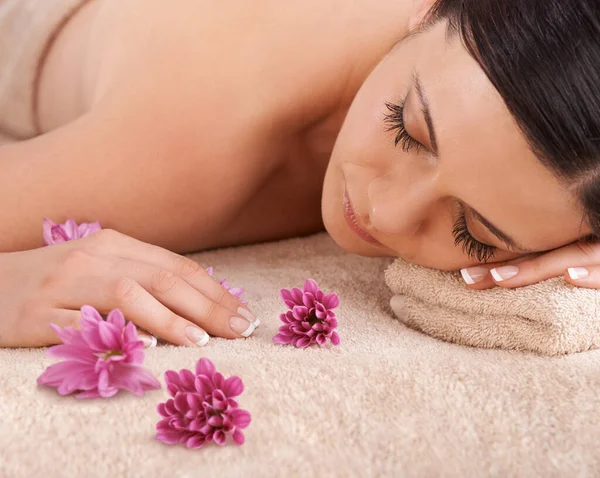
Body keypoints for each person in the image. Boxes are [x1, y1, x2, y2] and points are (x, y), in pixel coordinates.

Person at [1, 0, 599, 347]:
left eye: (476, 234)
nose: (385, 213)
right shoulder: (193, 142)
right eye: (408, 129)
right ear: (428, 11)